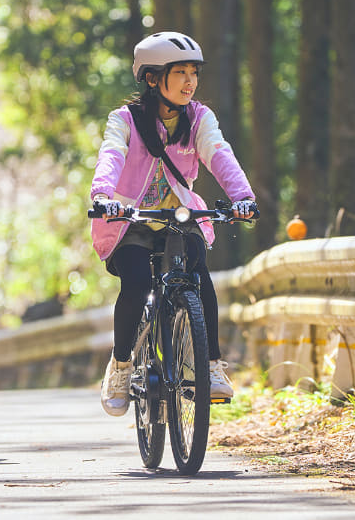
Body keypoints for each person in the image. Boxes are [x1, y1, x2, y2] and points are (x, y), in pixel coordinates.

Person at [89, 31, 257, 417]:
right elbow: (111, 155)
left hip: (179, 215)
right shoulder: (125, 120)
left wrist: (242, 198)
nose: (189, 82)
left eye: (193, 72)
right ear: (152, 78)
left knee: (199, 272)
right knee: (135, 282)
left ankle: (212, 365)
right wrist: (103, 196)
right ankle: (121, 365)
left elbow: (219, 153)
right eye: (179, 72)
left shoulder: (198, 118)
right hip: (129, 218)